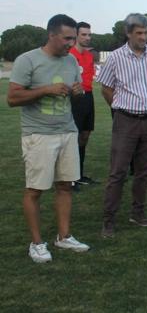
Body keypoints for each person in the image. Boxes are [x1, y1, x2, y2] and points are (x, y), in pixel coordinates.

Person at [7, 14, 90, 263]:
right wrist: (45, 89)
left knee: (65, 185)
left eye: (73, 39)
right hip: (39, 134)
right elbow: (12, 99)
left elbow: (77, 92)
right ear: (51, 35)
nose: (70, 43)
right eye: (67, 38)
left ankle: (63, 237)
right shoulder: (28, 60)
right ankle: (36, 243)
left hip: (67, 130)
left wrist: (77, 91)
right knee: (35, 189)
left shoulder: (71, 61)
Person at [97, 13, 147, 238]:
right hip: (125, 120)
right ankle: (108, 220)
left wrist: (146, 103)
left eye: (145, 33)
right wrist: (121, 107)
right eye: (138, 33)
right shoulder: (116, 57)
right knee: (118, 172)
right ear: (128, 33)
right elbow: (106, 89)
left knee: (144, 171)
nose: (143, 37)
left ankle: (137, 213)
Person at [69, 21, 97, 187]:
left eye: (89, 34)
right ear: (76, 36)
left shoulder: (89, 56)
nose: (87, 38)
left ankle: (78, 174)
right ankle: (70, 177)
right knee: (74, 136)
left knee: (85, 135)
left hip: (88, 96)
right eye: (84, 35)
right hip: (75, 98)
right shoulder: (70, 54)